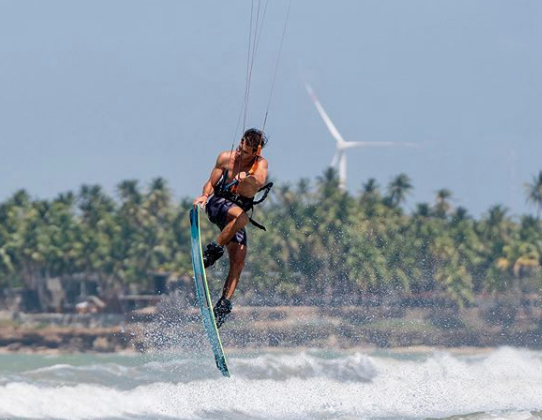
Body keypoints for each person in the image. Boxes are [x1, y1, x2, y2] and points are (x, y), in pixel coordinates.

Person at [193, 128, 269, 328]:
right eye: (240, 146)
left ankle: (222, 305)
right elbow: (211, 182)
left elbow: (259, 180)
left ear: (256, 152)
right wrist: (204, 195)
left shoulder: (259, 164)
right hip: (217, 205)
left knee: (239, 260)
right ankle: (213, 250)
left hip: (235, 218)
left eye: (245, 152)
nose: (239, 152)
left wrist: (250, 181)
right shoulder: (226, 158)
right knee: (242, 218)